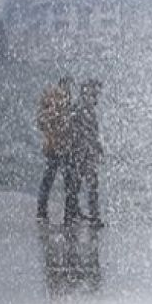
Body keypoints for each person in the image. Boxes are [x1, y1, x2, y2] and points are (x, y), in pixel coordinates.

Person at [36, 76, 73, 222]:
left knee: (55, 179)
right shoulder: (56, 102)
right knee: (59, 180)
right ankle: (66, 213)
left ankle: (46, 211)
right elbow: (45, 122)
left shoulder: (59, 102)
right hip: (57, 147)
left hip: (59, 146)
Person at [68, 79, 104, 227]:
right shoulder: (80, 109)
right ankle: (83, 214)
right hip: (82, 154)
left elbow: (91, 133)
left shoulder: (82, 109)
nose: (96, 98)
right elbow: (80, 132)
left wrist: (98, 148)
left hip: (84, 153)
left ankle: (77, 213)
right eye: (93, 94)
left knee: (83, 185)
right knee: (84, 185)